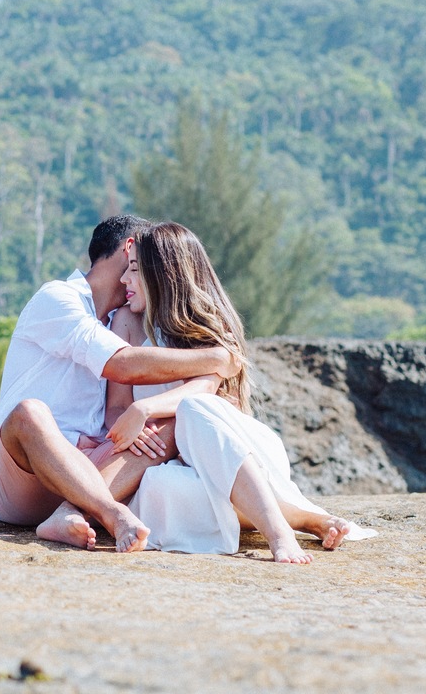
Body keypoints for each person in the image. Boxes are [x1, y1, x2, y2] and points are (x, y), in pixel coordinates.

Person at [106, 221, 376, 563]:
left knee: (193, 409)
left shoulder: (212, 330)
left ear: (161, 274)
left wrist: (144, 410)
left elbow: (202, 394)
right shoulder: (125, 324)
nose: (123, 281)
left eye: (133, 270)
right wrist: (136, 433)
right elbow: (116, 406)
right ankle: (303, 519)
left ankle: (278, 533)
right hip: (182, 466)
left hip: (239, 450)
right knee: (160, 488)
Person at [0, 215, 239, 552]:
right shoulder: (58, 298)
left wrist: (141, 420)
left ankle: (71, 515)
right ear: (130, 248)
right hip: (20, 477)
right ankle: (112, 514)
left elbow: (121, 405)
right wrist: (218, 359)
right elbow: (121, 365)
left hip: (91, 473)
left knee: (171, 423)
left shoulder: (126, 319)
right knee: (30, 413)